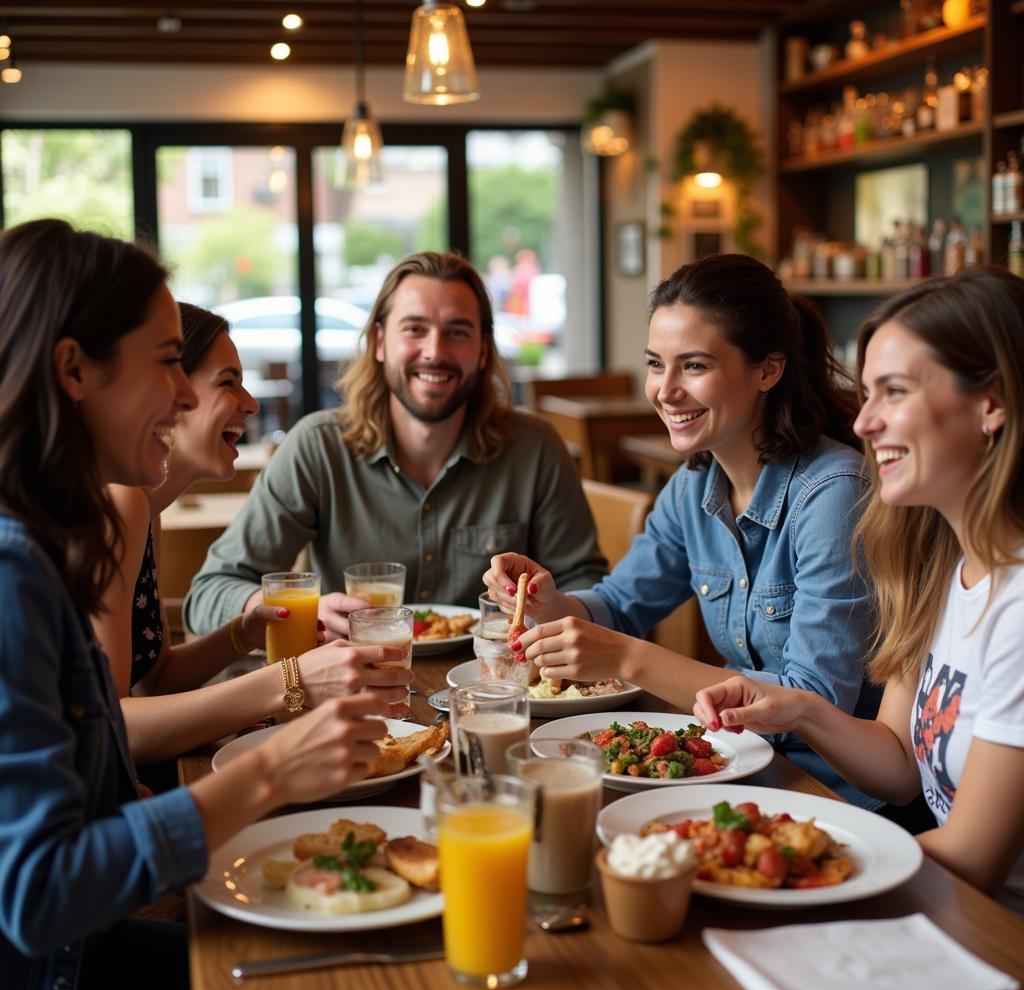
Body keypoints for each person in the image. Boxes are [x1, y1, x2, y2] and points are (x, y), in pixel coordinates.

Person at [0, 219, 408, 990]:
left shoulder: (48, 542)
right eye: (166, 362)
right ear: (74, 370)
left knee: (346, 965)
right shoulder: (14, 570)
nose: (187, 394)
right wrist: (273, 766)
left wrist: (245, 649)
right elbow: (40, 892)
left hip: (79, 950)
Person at [485, 253, 879, 803]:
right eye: (655, 364)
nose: (665, 391)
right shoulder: (695, 485)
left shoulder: (833, 493)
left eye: (694, 366)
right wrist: (550, 602)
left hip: (824, 790)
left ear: (768, 369)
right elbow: (621, 604)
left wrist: (628, 657)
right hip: (730, 763)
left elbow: (812, 706)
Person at [693, 267, 1024, 905]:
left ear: (992, 402)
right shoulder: (936, 565)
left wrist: (774, 859)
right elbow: (900, 769)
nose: (865, 423)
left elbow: (973, 856)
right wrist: (798, 707)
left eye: (893, 391)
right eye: (867, 393)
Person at [183, 251, 606, 641]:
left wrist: (544, 604)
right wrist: (295, 610)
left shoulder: (535, 448)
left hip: (498, 693)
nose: (434, 351)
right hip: (353, 697)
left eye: (457, 332)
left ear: (482, 350)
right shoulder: (317, 447)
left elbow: (587, 593)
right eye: (414, 329)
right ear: (380, 342)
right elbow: (206, 596)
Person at [90, 303, 411, 765]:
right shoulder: (121, 501)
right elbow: (114, 727)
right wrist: (291, 681)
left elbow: (155, 680)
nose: (252, 403)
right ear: (169, 390)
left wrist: (245, 630)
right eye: (227, 382)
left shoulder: (145, 508)